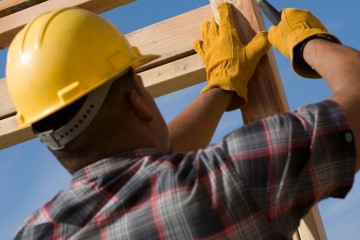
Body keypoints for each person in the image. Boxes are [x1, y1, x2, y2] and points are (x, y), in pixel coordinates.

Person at [6, 3, 359, 240]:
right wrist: (311, 42)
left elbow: (138, 182)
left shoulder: (37, 231)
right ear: (137, 101)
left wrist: (221, 88)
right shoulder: (228, 182)